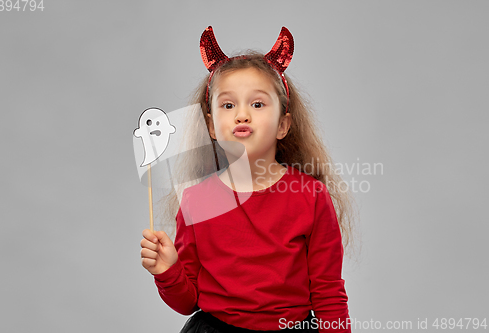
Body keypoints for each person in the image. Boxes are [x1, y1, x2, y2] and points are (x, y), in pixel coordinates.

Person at [140, 26, 358, 332]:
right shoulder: (196, 200)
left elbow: (328, 296)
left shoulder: (311, 197)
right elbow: (188, 301)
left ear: (283, 124)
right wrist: (167, 270)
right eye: (228, 105)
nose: (242, 115)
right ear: (212, 127)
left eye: (257, 104)